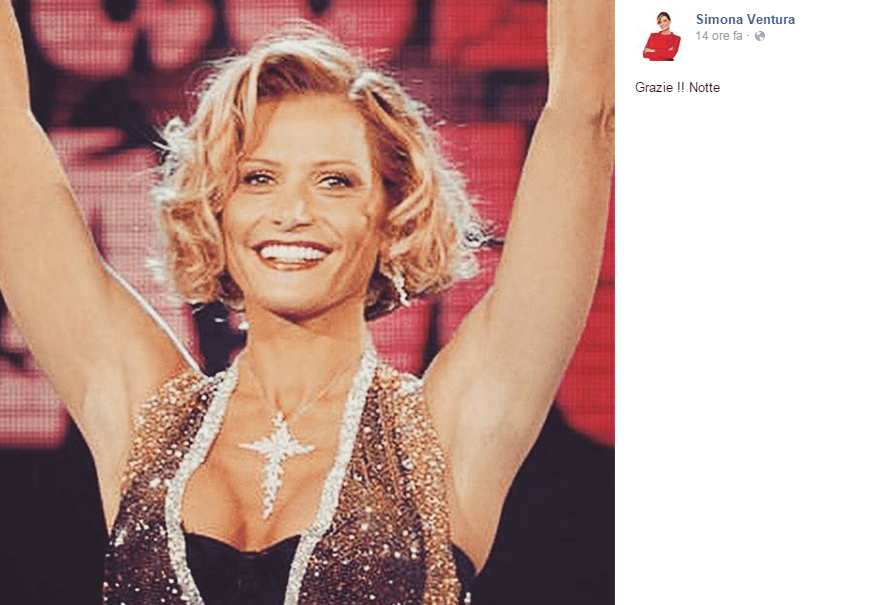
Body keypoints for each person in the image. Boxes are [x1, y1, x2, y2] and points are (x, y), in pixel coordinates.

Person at [0, 0, 614, 603]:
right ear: (217, 209)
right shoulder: (148, 420)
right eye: (258, 178)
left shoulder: (443, 438)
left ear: (392, 215)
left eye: (334, 182)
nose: (292, 212)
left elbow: (584, 113)